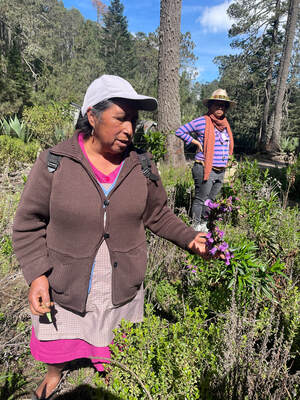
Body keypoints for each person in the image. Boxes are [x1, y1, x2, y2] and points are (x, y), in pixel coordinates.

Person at [12, 75, 210, 400]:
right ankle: (54, 373)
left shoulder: (142, 165)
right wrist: (37, 275)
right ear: (92, 116)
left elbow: (157, 214)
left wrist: (191, 239)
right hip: (66, 278)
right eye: (121, 118)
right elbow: (28, 222)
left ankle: (109, 370)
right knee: (58, 338)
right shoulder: (55, 162)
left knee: (114, 336)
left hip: (121, 276)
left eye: (133, 119)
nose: (130, 129)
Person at [175, 89, 235, 232]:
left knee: (210, 200)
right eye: (217, 104)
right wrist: (195, 142)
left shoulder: (225, 124)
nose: (220, 108)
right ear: (210, 106)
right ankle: (196, 227)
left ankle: (205, 225)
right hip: (204, 167)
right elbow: (180, 131)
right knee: (201, 199)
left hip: (220, 170)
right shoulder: (202, 121)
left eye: (223, 105)